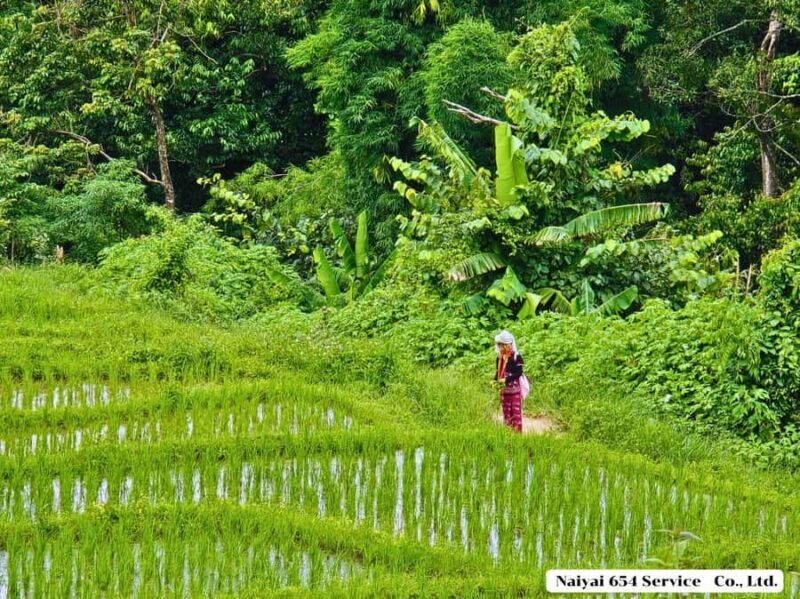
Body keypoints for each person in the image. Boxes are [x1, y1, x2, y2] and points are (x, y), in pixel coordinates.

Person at [494, 330, 524, 433]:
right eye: (500, 345)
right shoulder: (499, 358)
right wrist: (495, 381)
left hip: (515, 391)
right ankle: (507, 433)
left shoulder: (516, 357)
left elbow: (519, 373)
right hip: (504, 391)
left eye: (502, 345)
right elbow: (498, 372)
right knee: (506, 412)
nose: (500, 347)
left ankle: (518, 434)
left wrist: (507, 379)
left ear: (508, 345)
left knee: (515, 413)